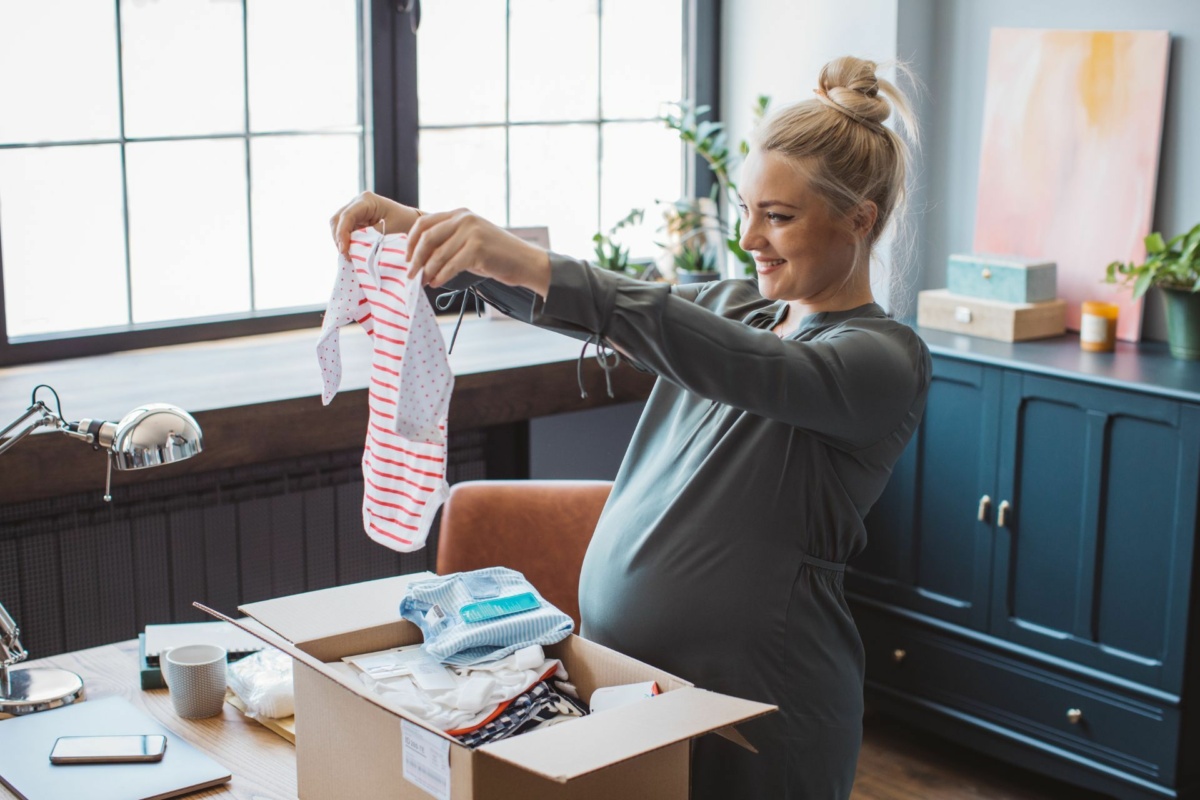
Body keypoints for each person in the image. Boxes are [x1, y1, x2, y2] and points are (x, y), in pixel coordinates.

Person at [330, 55, 931, 800]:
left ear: (859, 219)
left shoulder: (882, 359)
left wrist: (526, 258)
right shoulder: (735, 304)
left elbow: (726, 356)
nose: (750, 237)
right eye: (744, 208)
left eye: (777, 216)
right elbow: (609, 314)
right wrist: (442, 246)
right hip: (635, 688)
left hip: (765, 707)